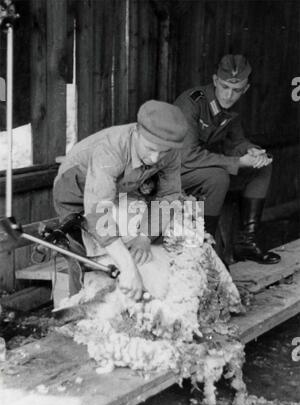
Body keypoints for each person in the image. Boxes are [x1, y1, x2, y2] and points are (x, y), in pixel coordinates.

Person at [53, 100, 188, 300]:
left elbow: (167, 195)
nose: (154, 158)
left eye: (163, 152)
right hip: (75, 190)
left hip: (118, 189)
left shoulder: (168, 150)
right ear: (137, 132)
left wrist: (145, 236)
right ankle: (80, 311)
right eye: (150, 148)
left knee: (131, 243)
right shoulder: (111, 148)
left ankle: (124, 308)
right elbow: (99, 213)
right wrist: (128, 268)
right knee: (82, 255)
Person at [174, 54, 280, 264]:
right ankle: (207, 250)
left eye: (237, 90)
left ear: (246, 88)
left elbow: (236, 143)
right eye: (224, 87)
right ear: (215, 81)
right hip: (173, 172)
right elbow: (187, 156)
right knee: (218, 177)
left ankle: (246, 243)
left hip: (199, 170)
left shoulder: (231, 110)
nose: (229, 95)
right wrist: (238, 163)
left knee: (262, 167)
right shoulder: (192, 102)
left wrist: (252, 151)